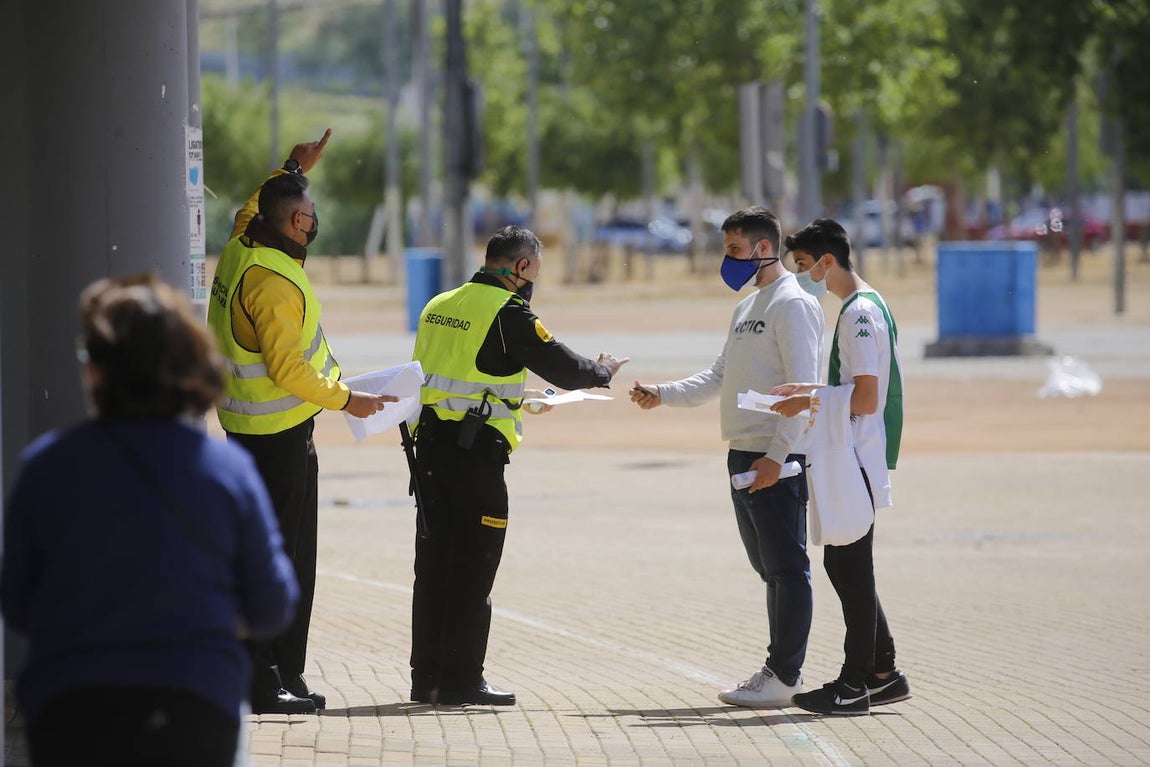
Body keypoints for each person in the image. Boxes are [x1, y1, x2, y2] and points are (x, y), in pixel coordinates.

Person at [1, 274, 299, 767]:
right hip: (196, 704)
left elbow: (17, 602)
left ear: (97, 371)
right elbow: (272, 605)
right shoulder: (227, 471)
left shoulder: (48, 465)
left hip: (73, 708)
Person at [207, 129, 397, 715]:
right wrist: (347, 401)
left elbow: (250, 203)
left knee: (267, 556)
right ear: (294, 227)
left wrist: (293, 166)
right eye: (309, 216)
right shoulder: (276, 281)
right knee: (284, 562)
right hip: (277, 439)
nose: (314, 223)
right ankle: (269, 682)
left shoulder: (243, 243)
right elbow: (289, 368)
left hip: (247, 430)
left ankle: (276, 673)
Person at [410, 225, 629, 706]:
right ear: (521, 267)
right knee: (472, 568)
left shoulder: (438, 304)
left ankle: (425, 677)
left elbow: (459, 378)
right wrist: (603, 371)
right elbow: (566, 367)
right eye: (536, 270)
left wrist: (519, 399)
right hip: (477, 457)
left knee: (433, 568)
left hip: (429, 453)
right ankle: (462, 680)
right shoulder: (508, 313)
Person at [629, 206, 824, 707]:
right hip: (743, 455)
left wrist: (778, 456)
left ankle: (783, 675)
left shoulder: (793, 304)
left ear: (764, 248)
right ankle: (780, 671)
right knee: (769, 569)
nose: (728, 259)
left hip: (773, 458)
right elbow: (719, 376)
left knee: (787, 568)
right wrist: (663, 393)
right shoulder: (747, 307)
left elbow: (806, 390)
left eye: (734, 249)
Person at [770, 217, 911, 715]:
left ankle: (854, 685)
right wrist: (809, 393)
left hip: (857, 454)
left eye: (805, 266)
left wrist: (813, 401)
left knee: (852, 567)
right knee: (844, 562)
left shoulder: (859, 313)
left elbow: (867, 398)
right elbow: (856, 390)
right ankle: (883, 672)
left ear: (827, 262)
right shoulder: (861, 305)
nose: (804, 276)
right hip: (851, 451)